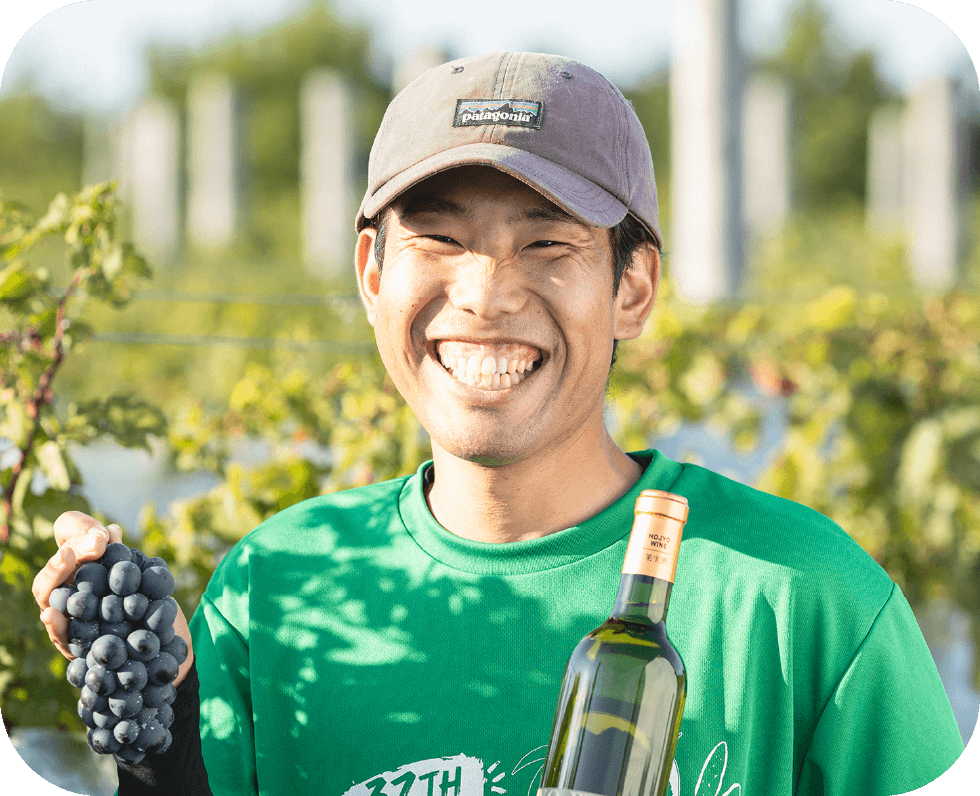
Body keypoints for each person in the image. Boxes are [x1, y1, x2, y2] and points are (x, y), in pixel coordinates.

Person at [33, 51, 965, 796]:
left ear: (632, 289)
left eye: (548, 242)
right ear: (371, 273)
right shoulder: (276, 591)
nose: (484, 294)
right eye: (439, 238)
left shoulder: (804, 603)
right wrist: (160, 730)